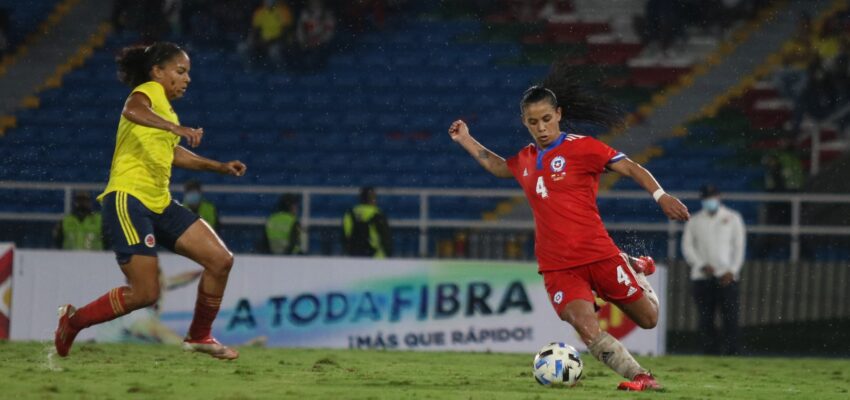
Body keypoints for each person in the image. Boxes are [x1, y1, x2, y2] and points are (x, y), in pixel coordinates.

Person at [447, 62, 689, 392]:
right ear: (525, 123)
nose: (541, 127)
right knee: (585, 327)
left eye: (546, 119)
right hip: (558, 265)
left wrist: (660, 195)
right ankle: (640, 377)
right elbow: (499, 166)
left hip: (599, 253)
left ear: (558, 114)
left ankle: (637, 268)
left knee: (649, 320)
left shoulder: (584, 147)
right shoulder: (526, 158)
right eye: (533, 122)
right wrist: (466, 139)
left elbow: (631, 168)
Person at [54, 42, 248, 360]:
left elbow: (172, 153)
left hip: (159, 201)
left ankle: (199, 336)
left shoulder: (166, 111)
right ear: (158, 71)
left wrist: (218, 166)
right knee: (145, 293)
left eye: (188, 73)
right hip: (128, 198)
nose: (187, 79)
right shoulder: (149, 92)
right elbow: (132, 109)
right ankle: (73, 322)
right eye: (180, 71)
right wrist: (175, 126)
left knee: (220, 260)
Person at [681, 184, 746, 355]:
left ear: (719, 197)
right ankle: (709, 352)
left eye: (712, 197)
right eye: (706, 198)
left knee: (730, 318)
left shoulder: (733, 218)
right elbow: (687, 247)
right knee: (705, 318)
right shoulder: (694, 220)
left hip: (727, 276)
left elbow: (739, 247)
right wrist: (701, 265)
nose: (709, 201)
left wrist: (732, 271)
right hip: (702, 277)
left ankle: (733, 352)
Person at [342, 187, 392, 258]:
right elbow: (385, 237)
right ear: (372, 199)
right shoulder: (377, 213)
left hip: (354, 257)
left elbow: (345, 235)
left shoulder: (351, 213)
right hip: (375, 257)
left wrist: (348, 250)